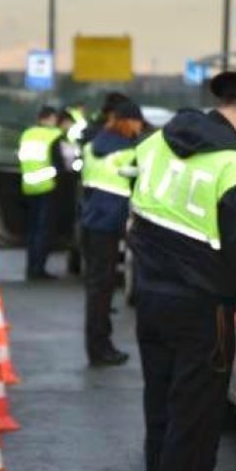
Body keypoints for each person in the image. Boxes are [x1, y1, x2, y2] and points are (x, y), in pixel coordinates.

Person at [127, 71, 236, 471]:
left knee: (161, 414)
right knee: (195, 426)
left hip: (149, 299)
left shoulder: (154, 144)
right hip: (203, 314)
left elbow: (136, 213)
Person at [80, 100, 146, 366]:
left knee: (98, 290)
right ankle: (100, 348)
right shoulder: (128, 154)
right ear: (128, 122)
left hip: (89, 223)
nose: (140, 128)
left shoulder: (90, 148)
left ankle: (99, 344)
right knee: (102, 292)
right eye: (138, 123)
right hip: (109, 226)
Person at [17, 106, 63, 280]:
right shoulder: (53, 136)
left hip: (29, 186)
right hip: (47, 187)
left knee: (32, 230)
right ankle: (39, 269)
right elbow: (58, 165)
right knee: (44, 231)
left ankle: (30, 267)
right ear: (49, 118)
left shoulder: (27, 135)